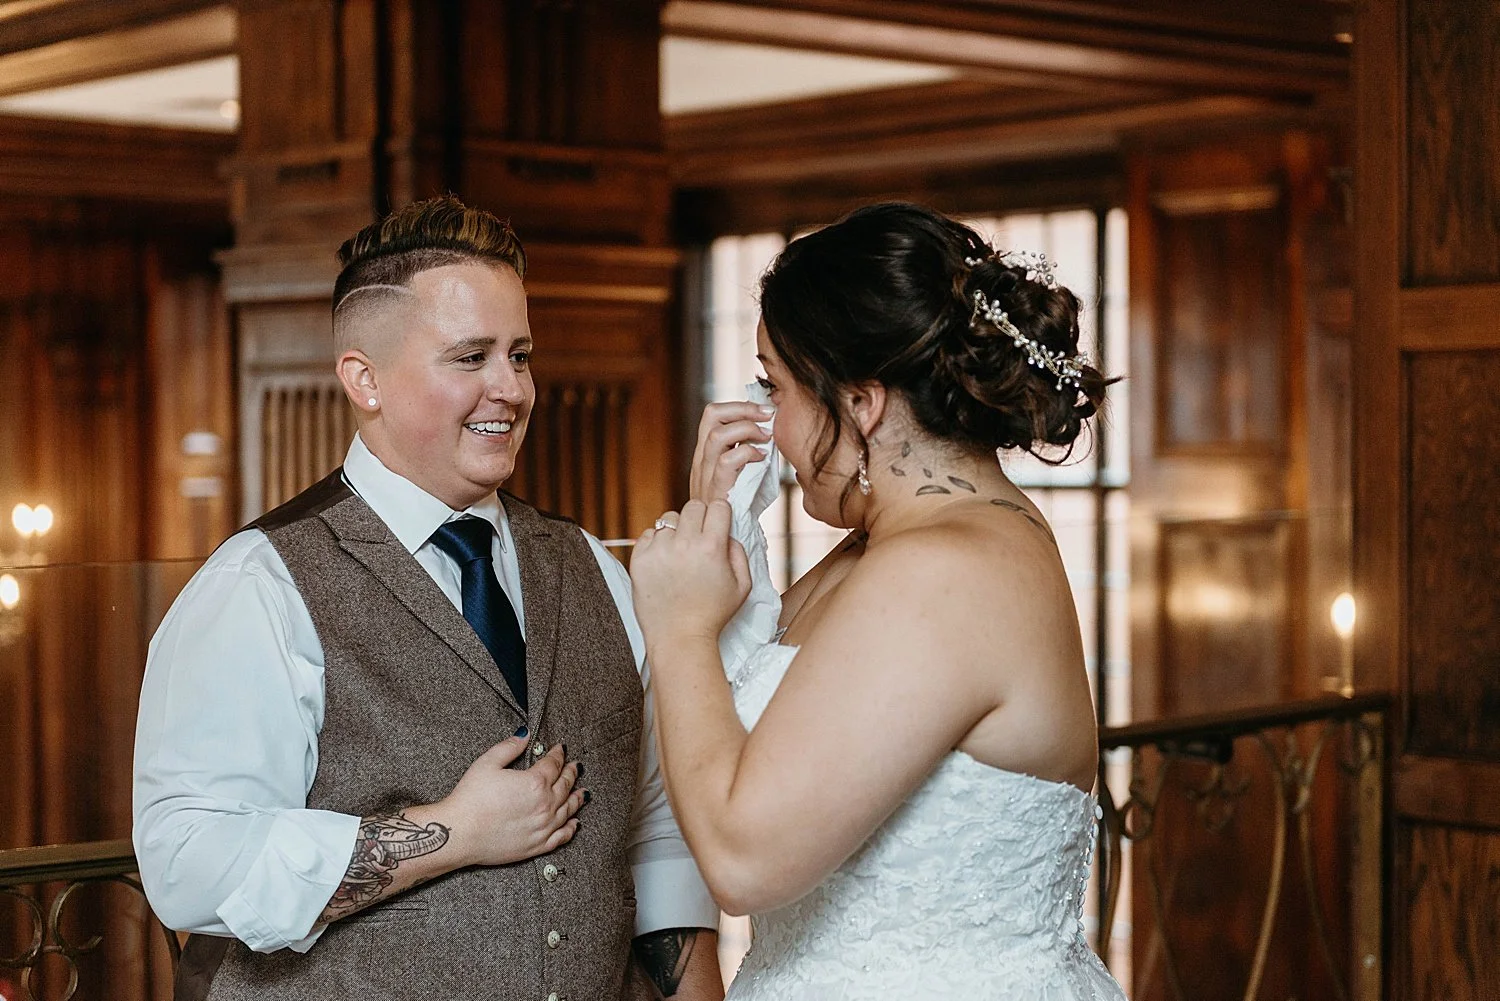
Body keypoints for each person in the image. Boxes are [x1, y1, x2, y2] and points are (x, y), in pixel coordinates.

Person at [133, 196, 723, 1001]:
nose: (510, 389)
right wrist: (451, 832)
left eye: (520, 354)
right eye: (470, 356)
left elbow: (653, 820)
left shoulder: (588, 563)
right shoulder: (259, 585)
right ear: (363, 379)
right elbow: (186, 860)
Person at [628, 203, 1126, 999]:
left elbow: (743, 857)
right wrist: (721, 541)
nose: (769, 424)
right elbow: (757, 730)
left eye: (776, 385)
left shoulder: (942, 574)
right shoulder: (880, 551)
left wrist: (679, 626)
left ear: (861, 403)